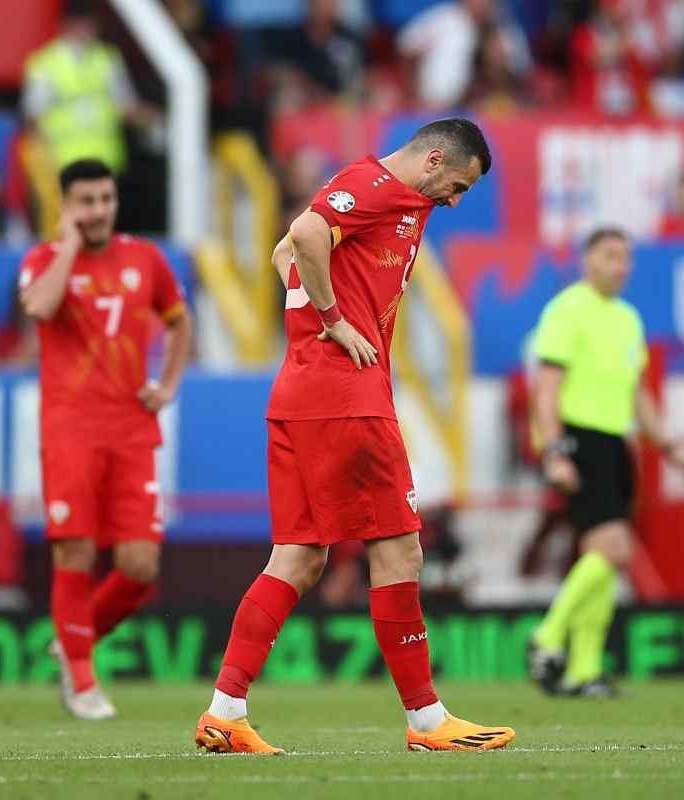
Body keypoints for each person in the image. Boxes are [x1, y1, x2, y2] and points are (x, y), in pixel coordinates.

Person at [194, 118, 515, 754]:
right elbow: (307, 233)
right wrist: (335, 321)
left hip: (298, 394)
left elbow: (287, 251)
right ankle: (427, 721)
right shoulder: (372, 186)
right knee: (399, 552)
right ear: (430, 162)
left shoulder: (387, 195)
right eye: (455, 186)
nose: (453, 201)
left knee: (299, 556)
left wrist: (308, 301)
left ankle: (224, 712)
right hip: (347, 396)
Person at [18, 158, 193, 720]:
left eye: (105, 199)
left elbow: (179, 320)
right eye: (85, 201)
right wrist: (68, 246)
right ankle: (83, 681)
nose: (97, 211)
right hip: (70, 428)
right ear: (66, 205)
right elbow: (40, 308)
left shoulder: (145, 258)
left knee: (140, 566)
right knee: (76, 551)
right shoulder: (44, 260)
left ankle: (74, 639)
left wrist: (167, 384)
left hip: (131, 428)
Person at [527, 227, 684, 697]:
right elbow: (547, 388)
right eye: (610, 255)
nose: (620, 265)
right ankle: (548, 636)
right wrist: (554, 450)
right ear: (587, 259)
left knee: (604, 558)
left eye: (625, 257)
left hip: (616, 444)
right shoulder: (566, 310)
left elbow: (637, 392)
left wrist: (669, 445)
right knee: (613, 549)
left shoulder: (628, 319)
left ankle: (583, 669)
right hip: (579, 440)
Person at [21, 0, 161, 173]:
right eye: (83, 24)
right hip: (61, 164)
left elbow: (126, 107)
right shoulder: (44, 64)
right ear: (67, 25)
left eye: (91, 25)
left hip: (105, 161)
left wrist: (155, 120)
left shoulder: (108, 58)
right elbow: (33, 118)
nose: (88, 31)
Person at [397, 0, 531, 110]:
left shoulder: (504, 27)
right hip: (435, 105)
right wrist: (413, 90)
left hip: (482, 107)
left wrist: (499, 59)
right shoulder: (443, 19)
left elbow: (521, 69)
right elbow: (407, 48)